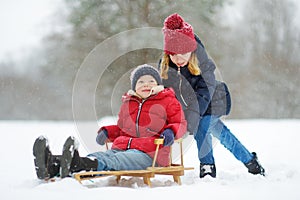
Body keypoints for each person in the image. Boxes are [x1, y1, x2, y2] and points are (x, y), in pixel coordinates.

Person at [33, 64, 187, 180]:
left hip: (151, 154)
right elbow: (121, 129)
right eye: (140, 82)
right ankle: (52, 164)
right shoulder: (129, 104)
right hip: (122, 147)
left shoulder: (168, 101)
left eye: (151, 81)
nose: (146, 84)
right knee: (102, 155)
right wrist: (108, 131)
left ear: (158, 84)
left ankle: (77, 165)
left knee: (116, 160)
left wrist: (171, 131)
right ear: (134, 87)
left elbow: (180, 123)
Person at [158, 13, 265, 178]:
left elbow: (204, 93)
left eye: (182, 53)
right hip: (194, 106)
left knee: (202, 126)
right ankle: (250, 161)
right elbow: (167, 94)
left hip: (214, 100)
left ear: (191, 50)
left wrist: (193, 116)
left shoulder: (202, 64)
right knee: (222, 134)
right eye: (173, 54)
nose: (177, 58)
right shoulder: (166, 66)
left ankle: (207, 165)